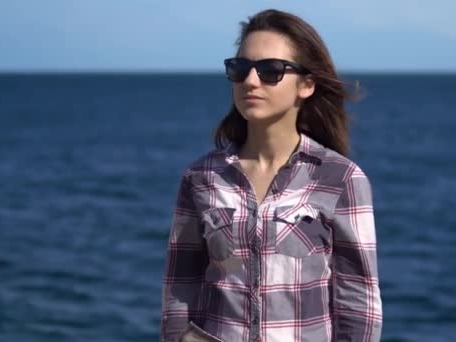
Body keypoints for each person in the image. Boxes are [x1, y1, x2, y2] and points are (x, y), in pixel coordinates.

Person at [161, 9, 382, 342]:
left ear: (306, 85)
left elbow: (358, 305)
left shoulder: (341, 179)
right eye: (240, 68)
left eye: (270, 70)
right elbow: (180, 290)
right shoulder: (201, 177)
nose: (251, 81)